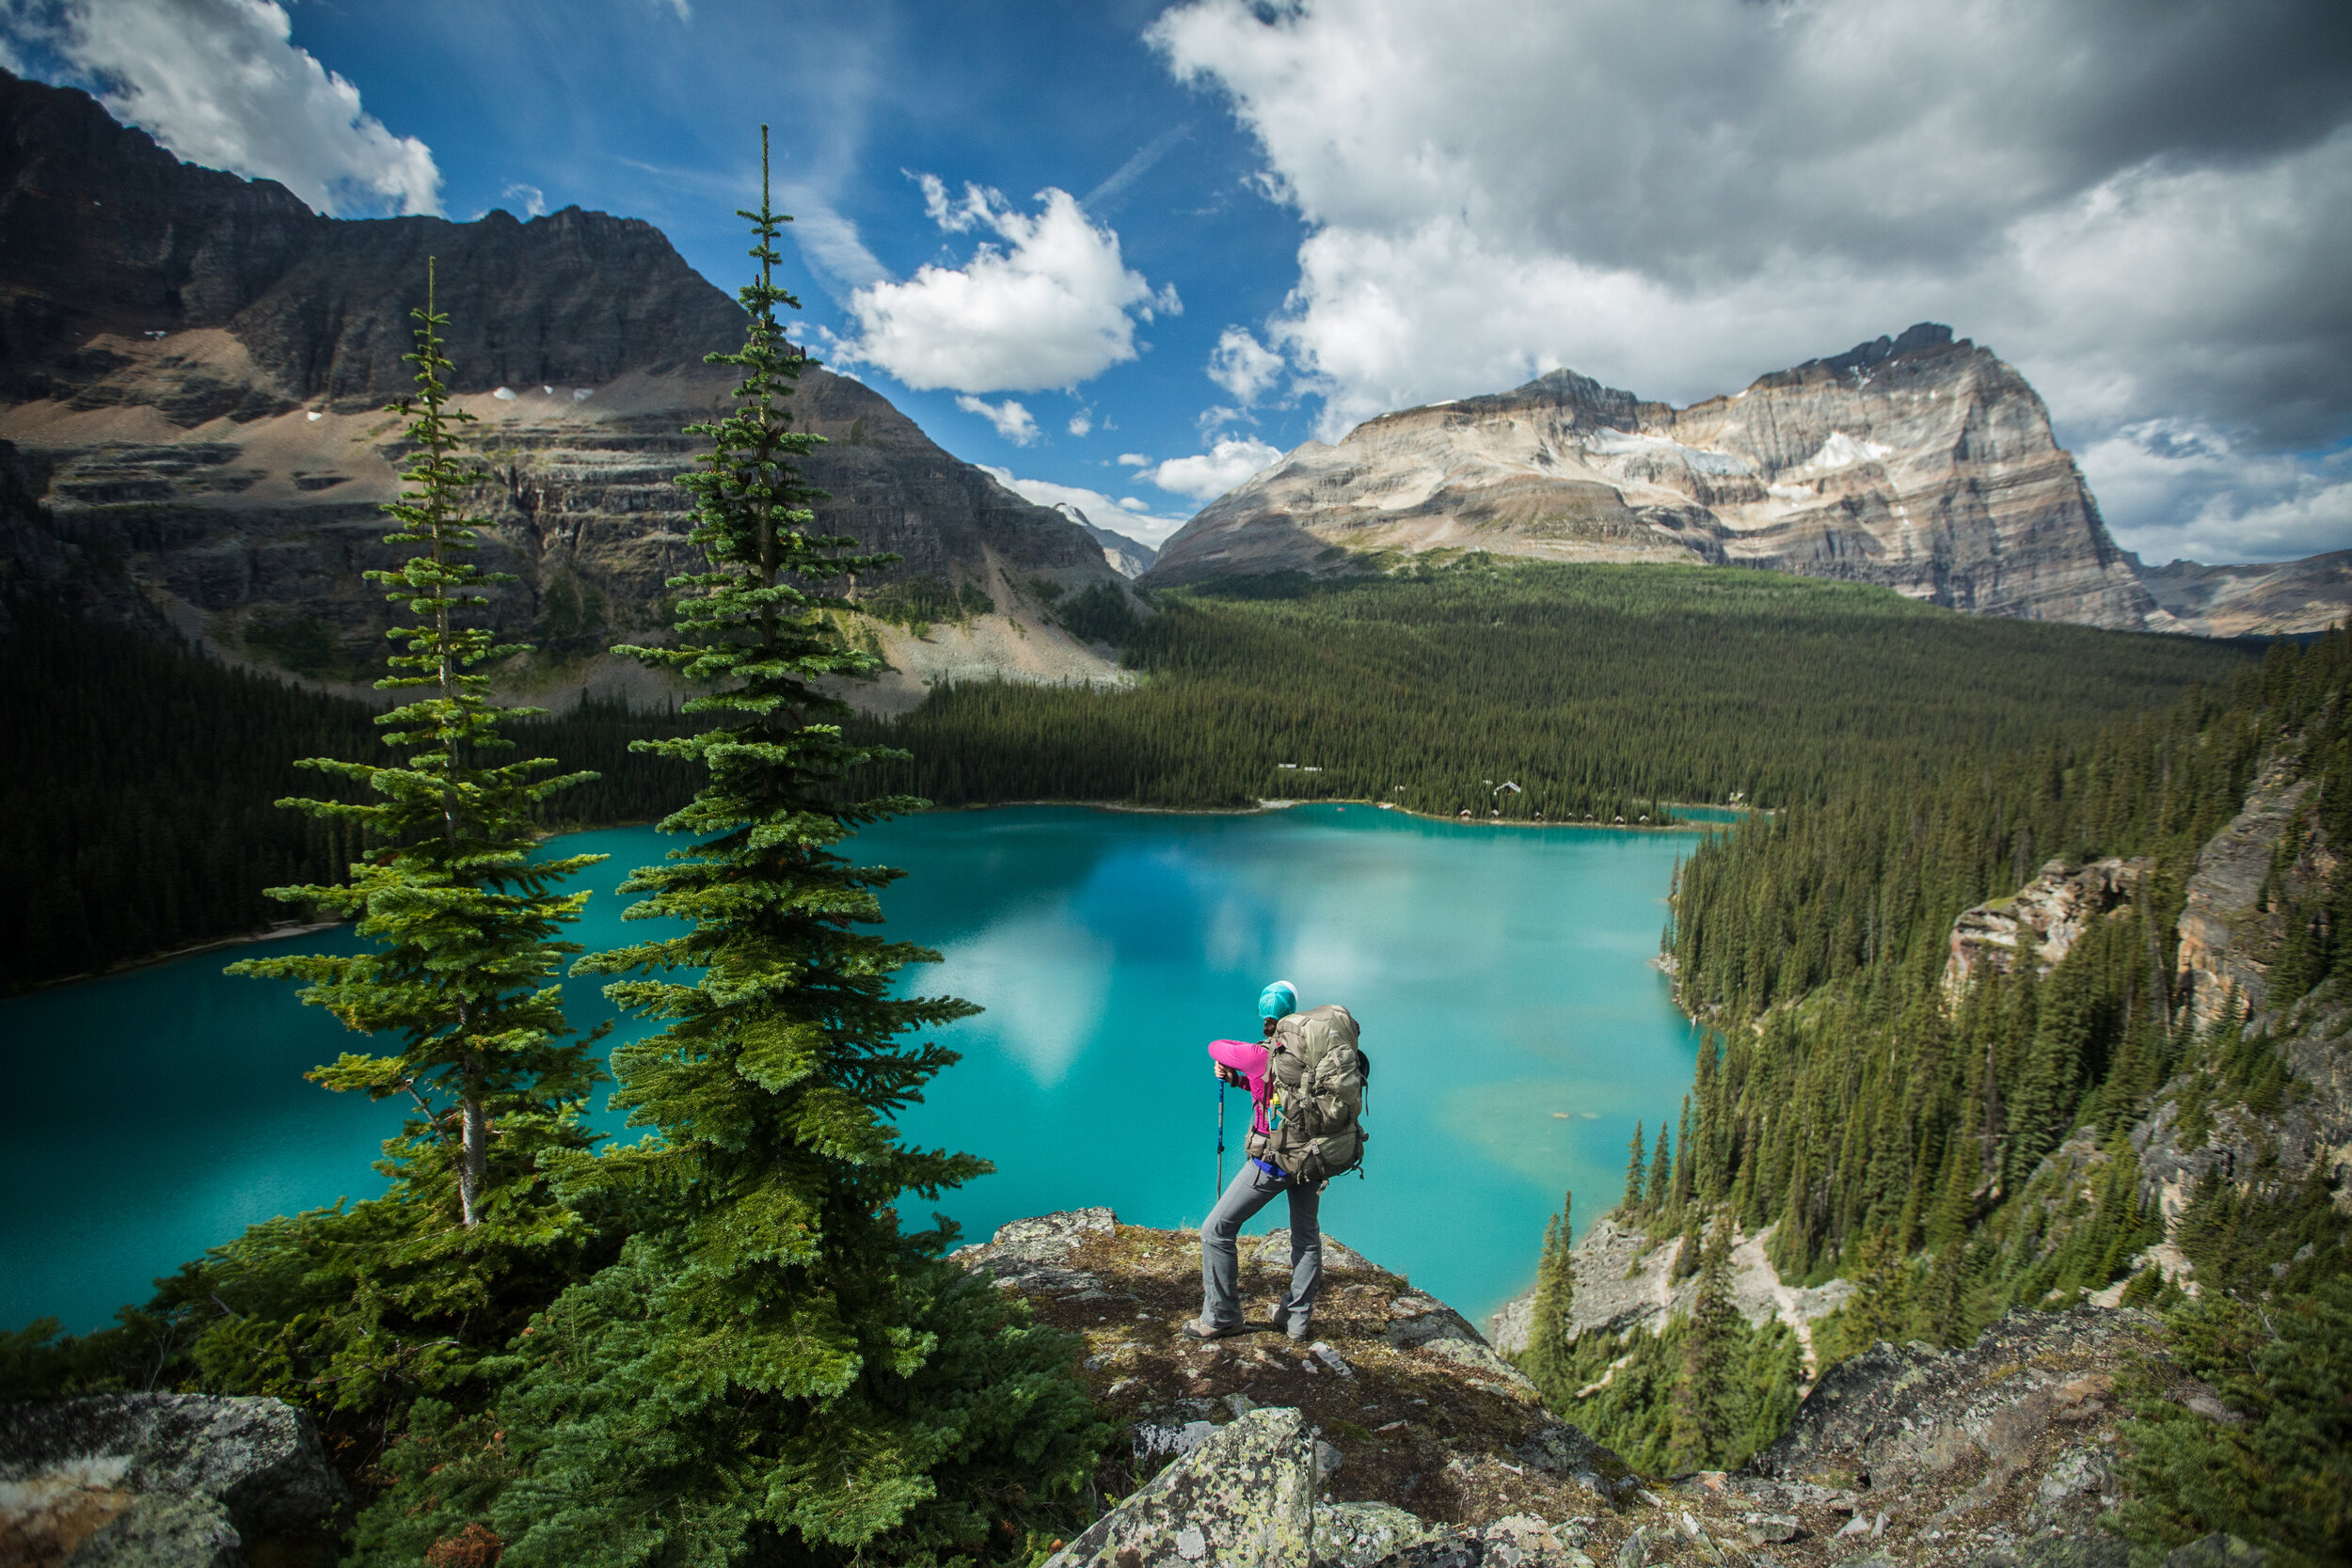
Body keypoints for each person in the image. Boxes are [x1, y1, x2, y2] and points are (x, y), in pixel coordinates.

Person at [1186, 979, 1365, 1342]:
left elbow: (1215, 1047)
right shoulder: (1306, 1054)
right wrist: (1238, 1079)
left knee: (1215, 1231)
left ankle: (1221, 1317)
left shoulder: (1260, 1054)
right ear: (1294, 1013)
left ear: (1263, 1016)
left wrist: (1233, 1063)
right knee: (1306, 1237)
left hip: (1274, 1161)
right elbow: (1273, 1090)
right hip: (1314, 1155)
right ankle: (1295, 1321)